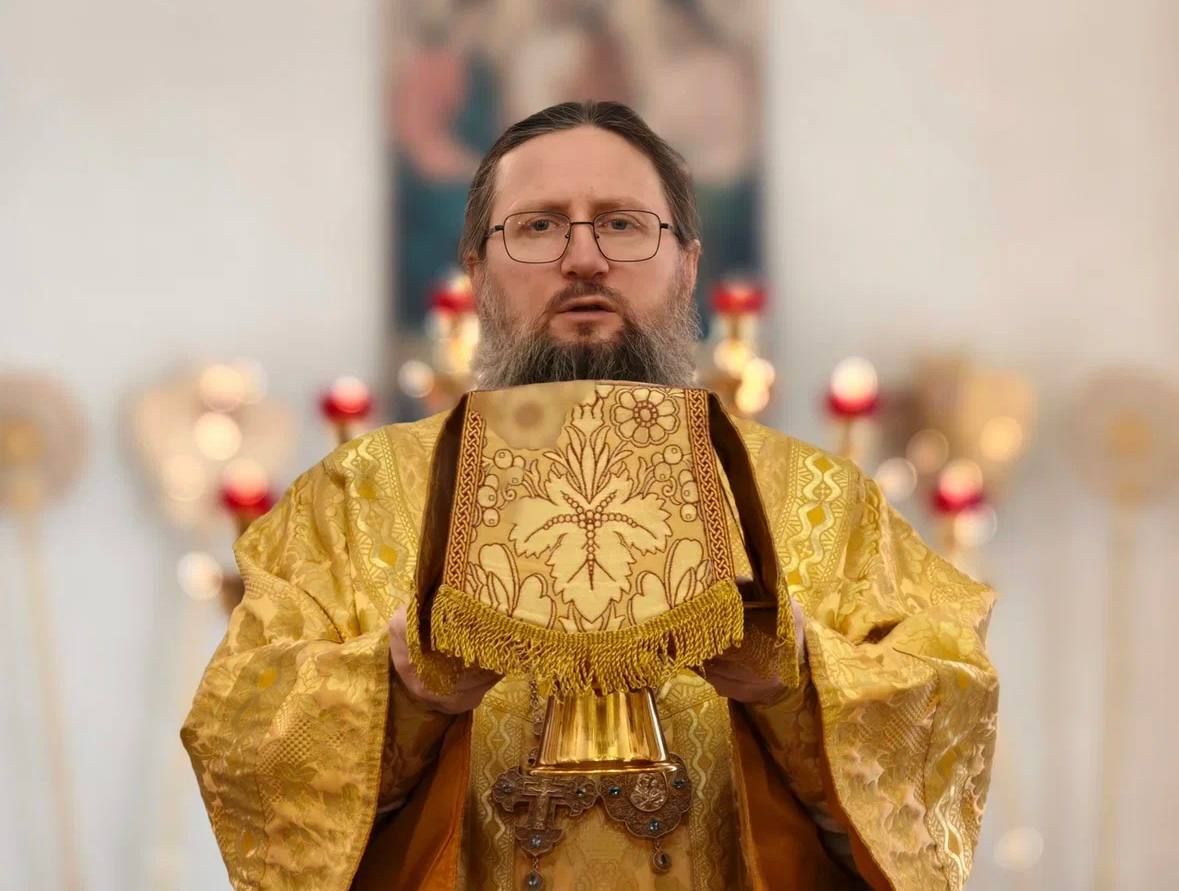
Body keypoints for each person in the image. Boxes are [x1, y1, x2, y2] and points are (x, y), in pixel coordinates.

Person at [182, 101, 998, 891]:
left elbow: (946, 718)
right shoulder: (354, 498)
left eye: (621, 223)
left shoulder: (821, 501)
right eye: (538, 226)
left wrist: (799, 681)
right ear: (476, 270)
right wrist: (400, 692)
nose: (583, 258)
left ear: (687, 263)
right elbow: (241, 739)